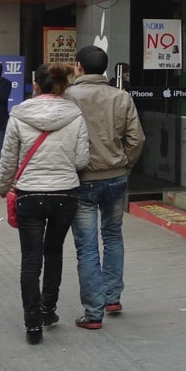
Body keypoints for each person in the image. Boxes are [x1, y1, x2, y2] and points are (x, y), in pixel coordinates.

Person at [0, 63, 89, 345]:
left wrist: (4, 187)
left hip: (29, 194)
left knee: (30, 259)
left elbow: (8, 159)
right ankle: (49, 310)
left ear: (36, 85)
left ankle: (33, 325)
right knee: (54, 251)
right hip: (65, 194)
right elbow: (81, 160)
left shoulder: (19, 115)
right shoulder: (75, 115)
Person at [67, 45, 145, 330]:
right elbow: (137, 140)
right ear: (105, 68)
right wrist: (125, 165)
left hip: (82, 180)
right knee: (113, 236)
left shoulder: (68, 97)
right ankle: (112, 298)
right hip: (116, 177)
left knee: (87, 247)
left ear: (78, 66)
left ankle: (93, 312)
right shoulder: (121, 97)